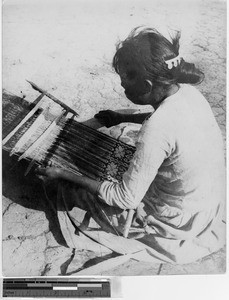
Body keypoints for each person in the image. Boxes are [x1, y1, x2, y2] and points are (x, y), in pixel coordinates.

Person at [36, 27, 225, 263]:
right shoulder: (188, 93)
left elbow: (126, 199)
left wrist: (63, 173)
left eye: (125, 82)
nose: (122, 87)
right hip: (204, 206)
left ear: (146, 86)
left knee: (68, 191)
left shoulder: (157, 128)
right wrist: (122, 117)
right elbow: (166, 122)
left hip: (177, 221)